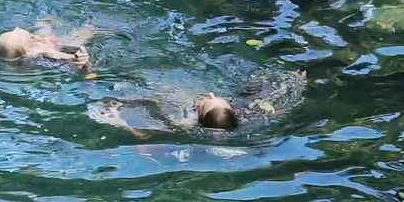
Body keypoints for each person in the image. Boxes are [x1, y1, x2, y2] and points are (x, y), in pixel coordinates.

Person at [89, 68, 306, 135]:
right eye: (214, 99)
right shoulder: (249, 116)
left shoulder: (184, 123)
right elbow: (276, 109)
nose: (211, 95)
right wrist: (296, 82)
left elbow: (144, 136)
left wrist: (119, 121)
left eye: (205, 103)